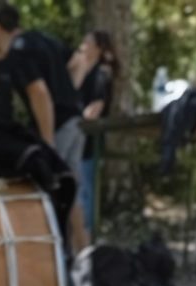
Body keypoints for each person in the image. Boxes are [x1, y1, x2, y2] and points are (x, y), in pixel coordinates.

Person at [0, 1, 89, 251]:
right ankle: (82, 256)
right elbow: (79, 61)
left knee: (48, 190)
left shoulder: (18, 51)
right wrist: (69, 93)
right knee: (72, 190)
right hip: (76, 121)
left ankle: (50, 255)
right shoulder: (43, 38)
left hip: (57, 127)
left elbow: (39, 93)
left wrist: (48, 142)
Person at [68, 30, 119, 235]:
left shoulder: (101, 74)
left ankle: (87, 233)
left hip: (90, 140)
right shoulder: (81, 71)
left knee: (86, 189)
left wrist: (77, 120)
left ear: (98, 48)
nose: (83, 46)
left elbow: (96, 108)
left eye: (88, 42)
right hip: (75, 138)